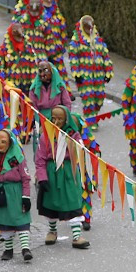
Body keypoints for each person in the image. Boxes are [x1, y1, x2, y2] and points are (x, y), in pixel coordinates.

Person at [35, 105, 89, 249]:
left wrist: (76, 144)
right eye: (54, 118)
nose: (57, 121)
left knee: (72, 201)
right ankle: (52, 231)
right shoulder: (45, 135)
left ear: (66, 119)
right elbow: (40, 159)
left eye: (60, 118)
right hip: (52, 173)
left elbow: (80, 152)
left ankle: (77, 236)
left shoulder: (73, 135)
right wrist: (42, 177)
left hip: (69, 173)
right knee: (52, 202)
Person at [0, 129, 32, 261]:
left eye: (3, 142)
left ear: (10, 142)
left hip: (15, 192)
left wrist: (26, 197)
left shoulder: (18, 158)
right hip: (1, 193)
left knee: (20, 219)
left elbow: (26, 178)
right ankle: (8, 249)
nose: (0, 144)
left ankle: (25, 249)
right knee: (5, 221)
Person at [67, 15, 113, 123]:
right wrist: (77, 74)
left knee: (99, 96)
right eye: (87, 28)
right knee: (88, 97)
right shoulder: (76, 42)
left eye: (91, 28)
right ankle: (91, 119)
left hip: (98, 74)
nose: (90, 30)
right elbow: (73, 58)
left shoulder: (98, 40)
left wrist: (108, 72)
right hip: (85, 75)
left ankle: (94, 114)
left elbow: (105, 56)